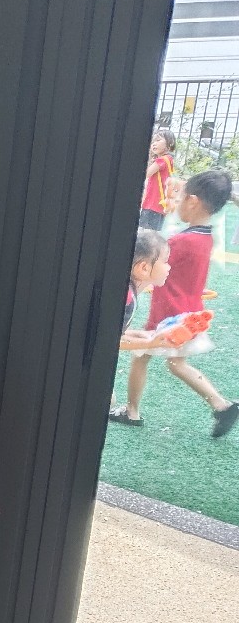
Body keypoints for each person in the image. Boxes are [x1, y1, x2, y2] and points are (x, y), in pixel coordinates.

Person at [110, 170, 239, 437]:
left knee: (140, 355)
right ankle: (221, 404)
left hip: (170, 313)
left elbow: (150, 257)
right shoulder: (206, 237)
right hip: (190, 311)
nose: (176, 202)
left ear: (192, 201)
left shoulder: (182, 241)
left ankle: (132, 411)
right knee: (176, 364)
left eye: (180, 197)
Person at [112, 230, 170, 413]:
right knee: (107, 399)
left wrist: (141, 335)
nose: (169, 267)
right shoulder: (127, 298)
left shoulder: (129, 291)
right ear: (144, 268)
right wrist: (150, 343)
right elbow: (111, 341)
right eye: (165, 261)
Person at [139, 129, 176, 231]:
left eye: (158, 140)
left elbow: (146, 173)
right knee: (152, 234)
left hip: (152, 204)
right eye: (153, 142)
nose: (154, 144)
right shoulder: (169, 160)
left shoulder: (162, 160)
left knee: (144, 234)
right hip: (160, 205)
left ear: (169, 144)